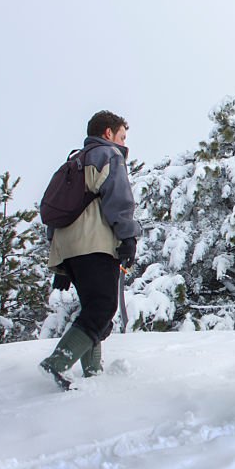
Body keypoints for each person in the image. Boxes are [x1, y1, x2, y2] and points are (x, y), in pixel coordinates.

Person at [40, 110, 143, 390]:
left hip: (68, 247)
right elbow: (119, 201)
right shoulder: (108, 155)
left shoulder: (74, 161)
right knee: (103, 306)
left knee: (92, 307)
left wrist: (60, 260)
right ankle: (57, 363)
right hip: (94, 244)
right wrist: (128, 238)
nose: (124, 142)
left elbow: (58, 212)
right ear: (108, 133)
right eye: (122, 136)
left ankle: (93, 371)